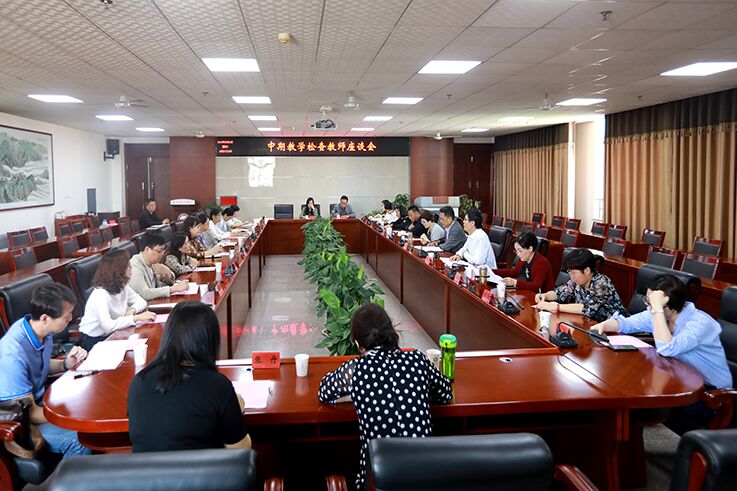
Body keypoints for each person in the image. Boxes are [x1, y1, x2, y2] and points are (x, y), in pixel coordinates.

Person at [318, 303, 452, 490]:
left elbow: (324, 392)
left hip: (378, 481)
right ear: (392, 331)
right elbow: (445, 393)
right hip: (426, 479)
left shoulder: (355, 370)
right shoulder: (417, 360)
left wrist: (353, 394)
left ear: (358, 344)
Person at [590, 274, 732, 433]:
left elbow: (667, 348)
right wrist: (604, 325)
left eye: (651, 303)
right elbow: (626, 323)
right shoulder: (659, 314)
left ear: (667, 303)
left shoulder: (698, 323)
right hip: (678, 380)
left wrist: (657, 309)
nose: (648, 308)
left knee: (636, 404)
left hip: (708, 394)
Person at [128, 301, 251, 452]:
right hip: (205, 468)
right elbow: (240, 449)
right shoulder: (217, 386)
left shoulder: (139, 382)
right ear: (209, 339)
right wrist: (236, 410)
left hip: (148, 468)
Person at [0, 283, 91, 457]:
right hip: (22, 421)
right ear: (44, 318)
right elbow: (30, 413)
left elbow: (40, 365)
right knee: (80, 440)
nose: (71, 319)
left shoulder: (41, 331)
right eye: (66, 317)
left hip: (42, 402)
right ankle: (68, 476)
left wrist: (66, 364)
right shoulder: (12, 355)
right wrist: (75, 413)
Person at [78, 249, 156, 350]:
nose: (131, 268)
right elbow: (108, 326)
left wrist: (132, 310)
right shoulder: (100, 294)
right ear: (119, 271)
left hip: (115, 333)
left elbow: (141, 301)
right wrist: (135, 318)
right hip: (93, 340)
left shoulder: (122, 285)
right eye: (128, 266)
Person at [534, 248, 625, 321]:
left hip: (614, 327)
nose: (571, 276)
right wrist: (545, 295)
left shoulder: (602, 284)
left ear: (587, 271)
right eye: (569, 272)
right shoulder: (577, 281)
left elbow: (587, 309)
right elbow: (559, 293)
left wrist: (556, 307)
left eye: (573, 273)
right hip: (589, 323)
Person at [129, 231, 189, 301]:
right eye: (159, 252)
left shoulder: (153, 263)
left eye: (164, 251)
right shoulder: (134, 266)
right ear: (147, 249)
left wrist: (168, 273)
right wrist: (173, 289)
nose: (162, 254)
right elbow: (144, 294)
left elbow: (163, 284)